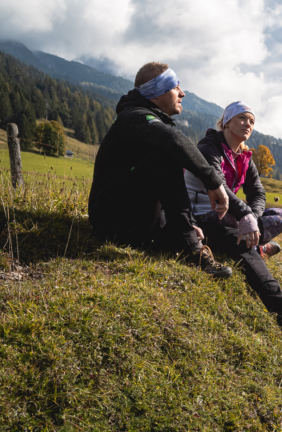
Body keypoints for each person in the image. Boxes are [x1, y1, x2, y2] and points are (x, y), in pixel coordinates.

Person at [185, 101, 282, 334]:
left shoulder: (245, 157)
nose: (248, 124)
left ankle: (255, 243)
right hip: (203, 216)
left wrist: (253, 218)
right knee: (242, 247)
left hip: (232, 215)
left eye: (252, 121)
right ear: (226, 122)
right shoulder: (209, 147)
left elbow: (257, 192)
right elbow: (217, 185)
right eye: (242, 118)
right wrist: (245, 213)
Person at [88, 62, 232, 278]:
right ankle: (191, 250)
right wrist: (213, 181)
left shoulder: (145, 120)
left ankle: (189, 238)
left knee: (166, 154)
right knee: (166, 153)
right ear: (157, 90)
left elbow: (161, 185)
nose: (182, 93)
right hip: (111, 223)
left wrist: (189, 223)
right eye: (176, 87)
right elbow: (173, 140)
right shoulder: (134, 117)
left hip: (132, 214)